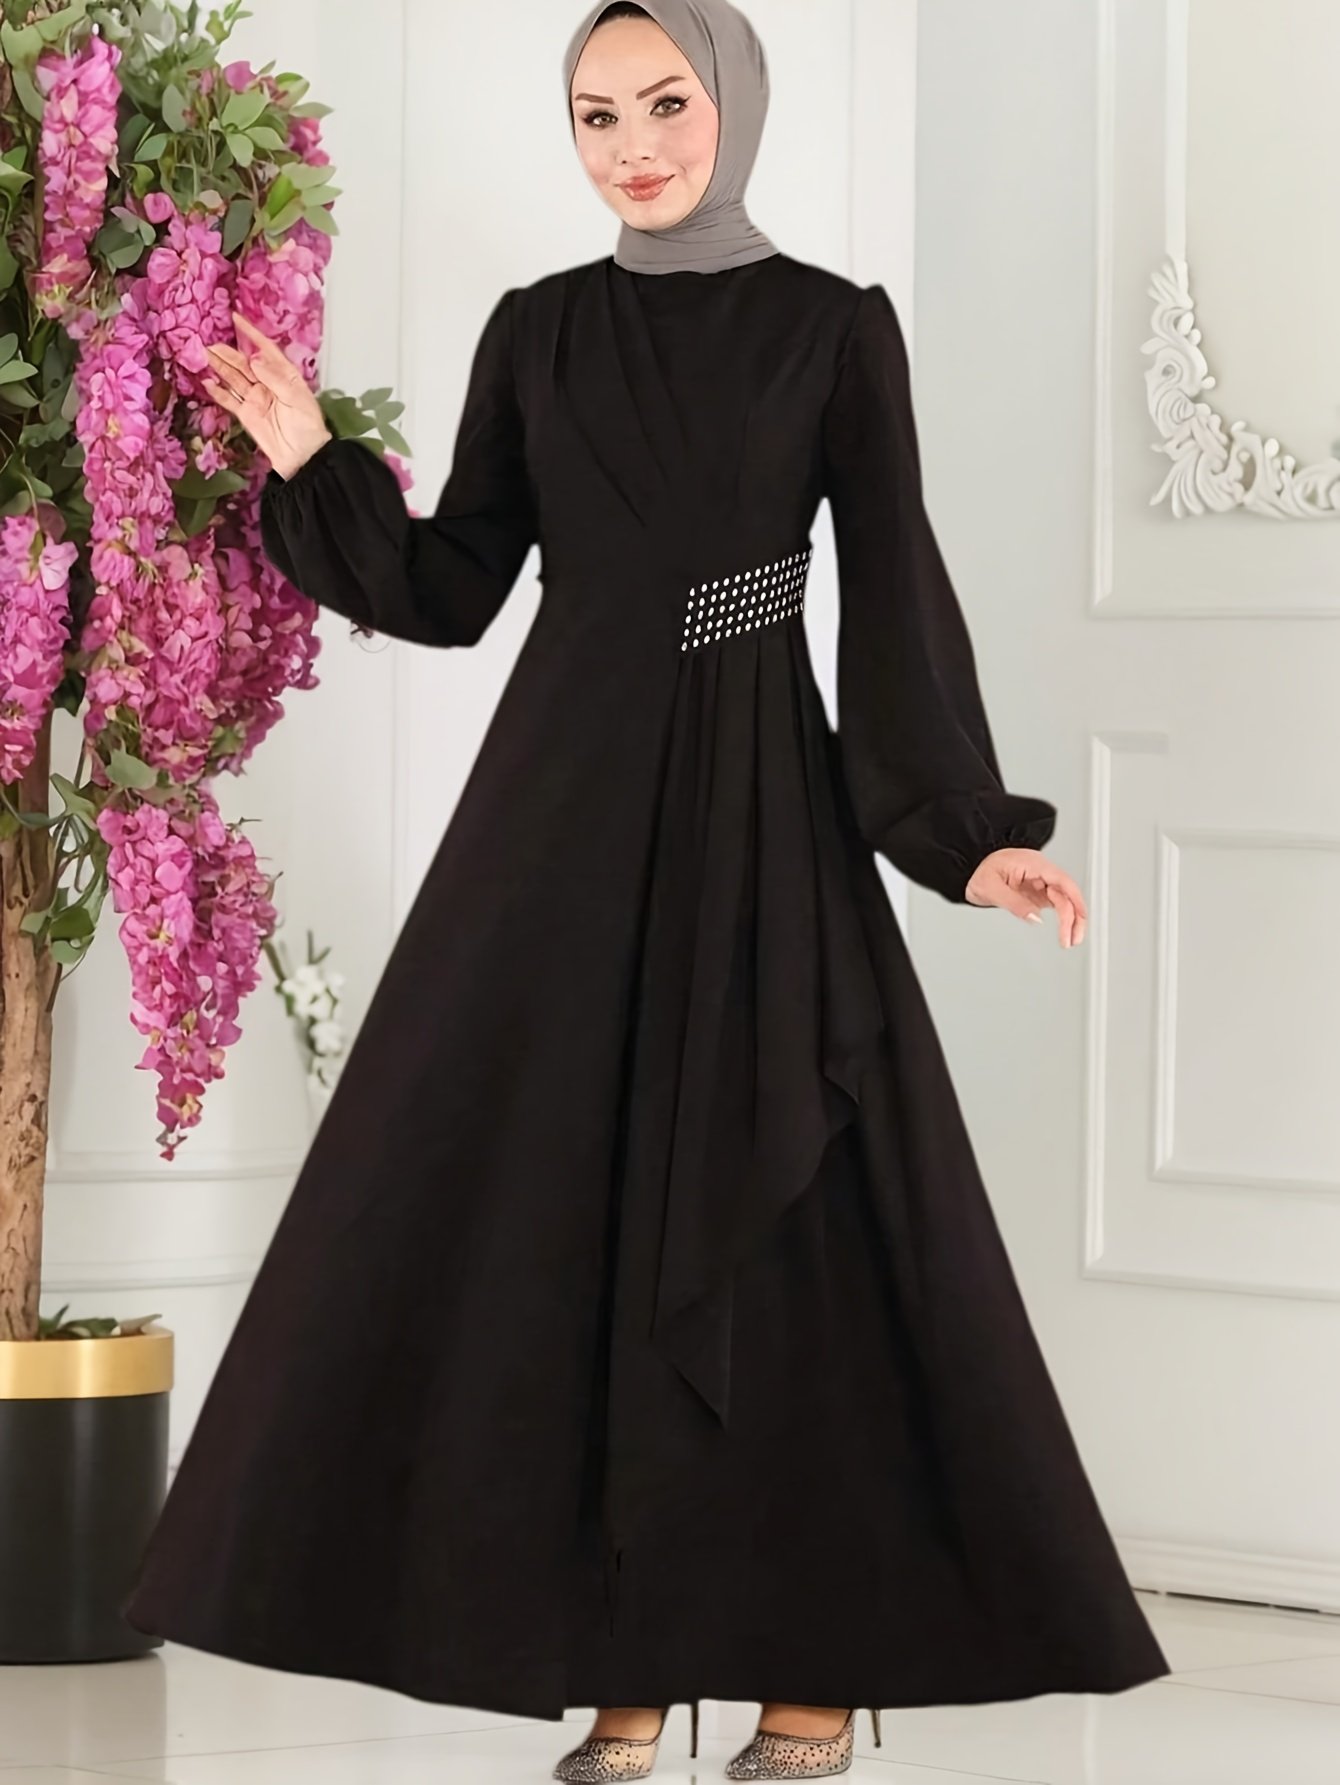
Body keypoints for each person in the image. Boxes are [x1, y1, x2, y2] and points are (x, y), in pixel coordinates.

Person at [121, 1, 1171, 1779]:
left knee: (788, 1217)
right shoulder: (538, 332)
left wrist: (961, 828)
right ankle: (625, 1660)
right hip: (561, 824)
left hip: (763, 808)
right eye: (597, 115)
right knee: (571, 1217)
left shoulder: (832, 329)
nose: (636, 145)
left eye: (667, 102)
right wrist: (312, 462)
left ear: (733, 102)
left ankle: (810, 1667)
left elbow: (890, 588)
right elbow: (456, 585)